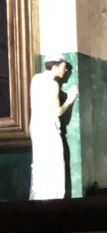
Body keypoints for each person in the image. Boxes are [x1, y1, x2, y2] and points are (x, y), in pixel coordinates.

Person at [29, 54, 78, 200]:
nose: (66, 72)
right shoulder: (53, 85)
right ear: (55, 67)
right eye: (64, 68)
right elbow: (57, 112)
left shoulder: (36, 79)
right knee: (53, 165)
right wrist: (70, 99)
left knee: (41, 166)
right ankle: (53, 201)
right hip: (48, 130)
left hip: (36, 127)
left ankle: (41, 200)